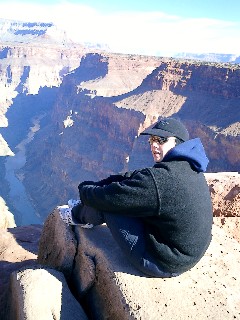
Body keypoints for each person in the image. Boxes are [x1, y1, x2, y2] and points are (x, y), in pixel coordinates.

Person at [58, 117, 213, 278]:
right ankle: (83, 210)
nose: (153, 144)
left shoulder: (161, 181)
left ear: (178, 143)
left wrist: (85, 191)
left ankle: (77, 216)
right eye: (152, 140)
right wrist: (101, 183)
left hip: (163, 263)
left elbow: (110, 197)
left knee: (111, 204)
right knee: (128, 197)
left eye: (161, 140)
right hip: (187, 254)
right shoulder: (189, 166)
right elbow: (136, 176)